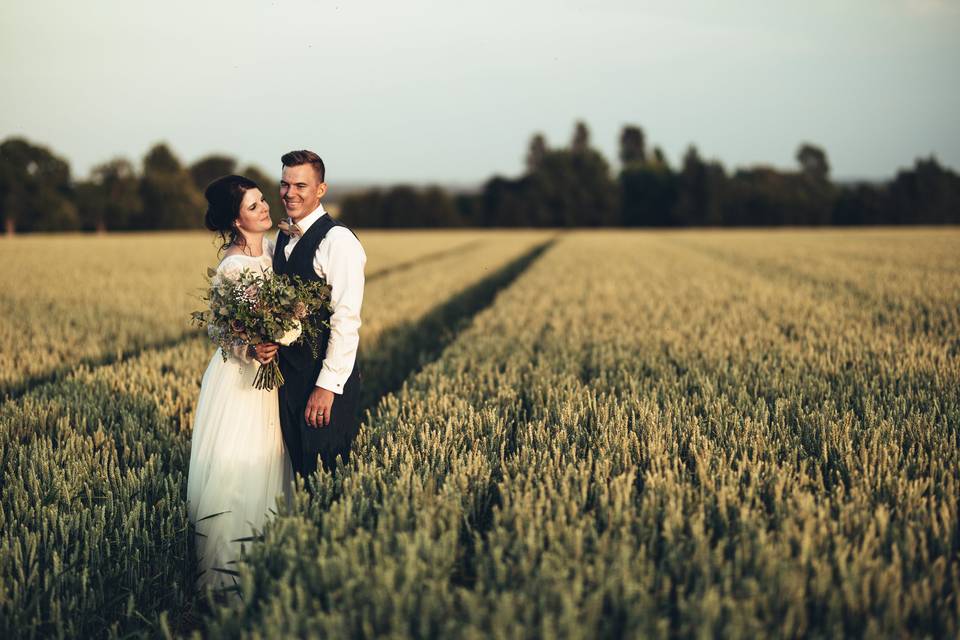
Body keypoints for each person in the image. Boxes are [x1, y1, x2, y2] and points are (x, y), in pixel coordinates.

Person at [186, 175, 292, 593]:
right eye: (254, 206)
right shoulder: (231, 266)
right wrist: (252, 349)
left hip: (273, 380)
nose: (265, 208)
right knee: (239, 463)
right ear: (235, 218)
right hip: (241, 379)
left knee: (271, 457)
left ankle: (269, 559)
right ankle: (228, 577)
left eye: (264, 200)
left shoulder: (273, 247)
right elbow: (220, 328)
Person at [271, 150, 366, 481]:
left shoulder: (338, 241)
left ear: (321, 190)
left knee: (323, 478)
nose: (290, 193)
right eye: (284, 184)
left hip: (323, 379)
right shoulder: (282, 234)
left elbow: (346, 319)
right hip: (287, 379)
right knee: (295, 475)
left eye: (300, 185)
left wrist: (327, 387)